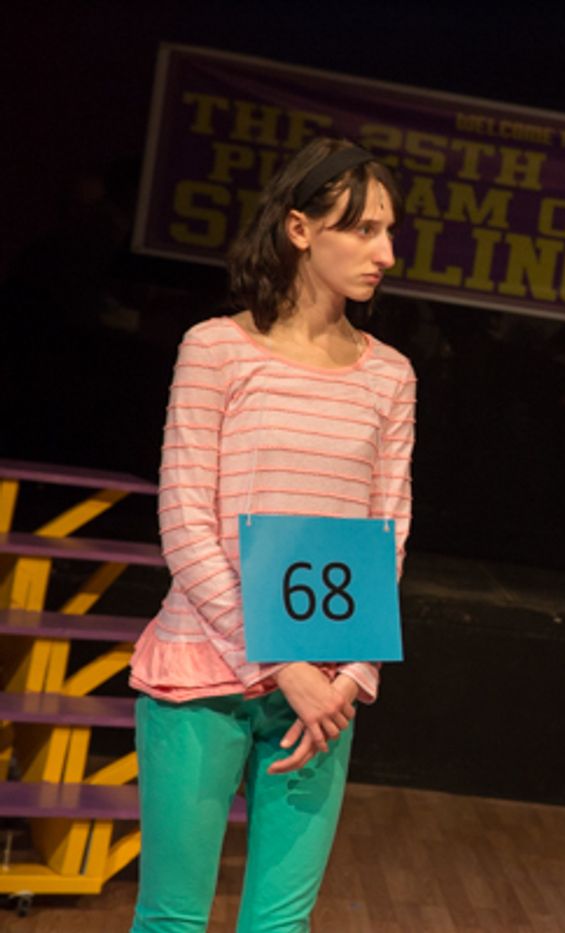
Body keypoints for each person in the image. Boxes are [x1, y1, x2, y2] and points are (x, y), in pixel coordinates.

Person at [128, 138, 415, 932]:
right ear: (299, 229)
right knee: (172, 918)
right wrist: (278, 660)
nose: (385, 254)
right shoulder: (217, 348)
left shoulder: (390, 374)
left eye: (390, 232)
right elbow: (185, 523)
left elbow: (386, 534)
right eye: (363, 229)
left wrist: (353, 673)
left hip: (321, 692)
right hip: (205, 673)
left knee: (280, 926)